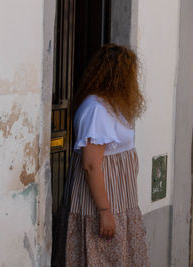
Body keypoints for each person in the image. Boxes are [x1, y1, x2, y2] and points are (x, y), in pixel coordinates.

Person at [54, 43, 149, 266]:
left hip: (120, 201)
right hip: (102, 204)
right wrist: (105, 211)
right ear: (119, 75)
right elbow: (91, 165)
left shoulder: (111, 106)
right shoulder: (96, 109)